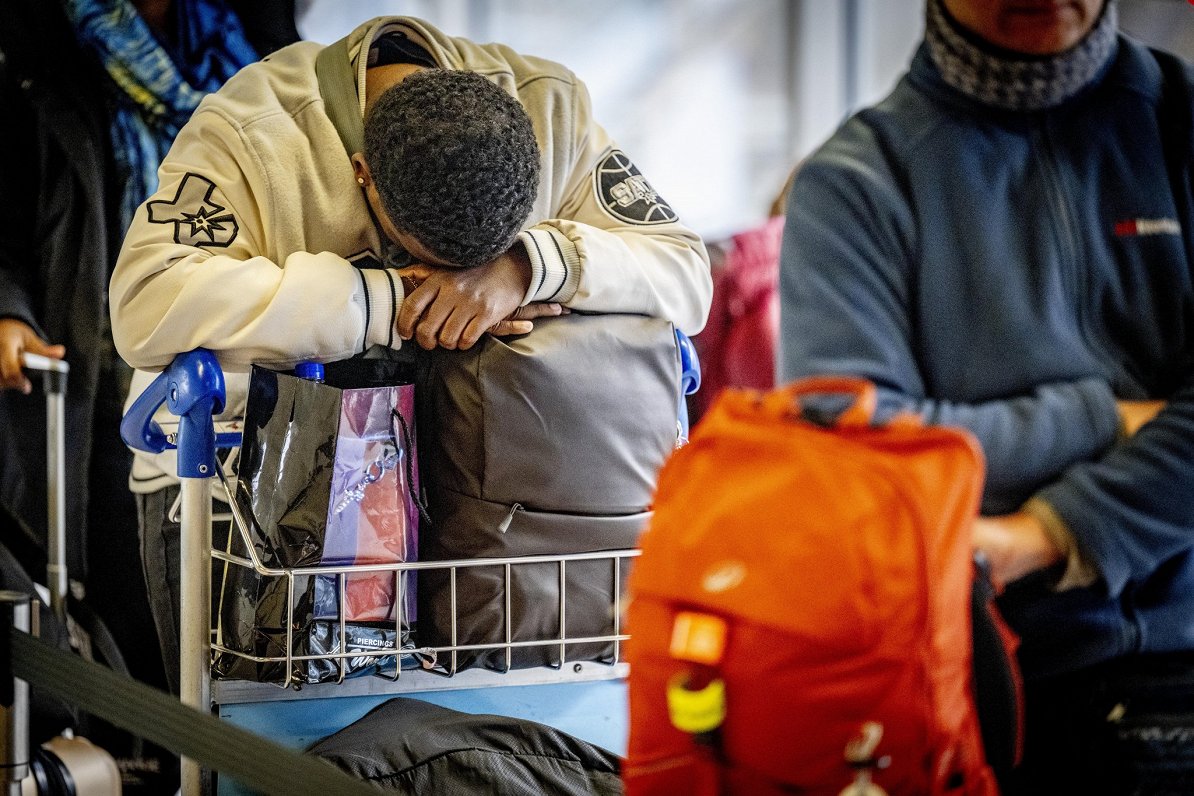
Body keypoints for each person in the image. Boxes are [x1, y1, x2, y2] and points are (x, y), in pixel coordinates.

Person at [109, 15, 712, 694]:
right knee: (247, 740)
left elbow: (686, 274)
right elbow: (143, 303)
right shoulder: (251, 128)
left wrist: (527, 266)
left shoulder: (551, 105)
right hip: (238, 495)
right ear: (363, 176)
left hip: (470, 498)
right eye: (432, 263)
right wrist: (384, 301)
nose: (458, 296)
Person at [779, 0, 1194, 791]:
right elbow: (853, 454)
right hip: (963, 686)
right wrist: (1103, 417)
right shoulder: (856, 179)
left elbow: (908, 440)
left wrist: (1051, 531)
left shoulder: (1181, 125)